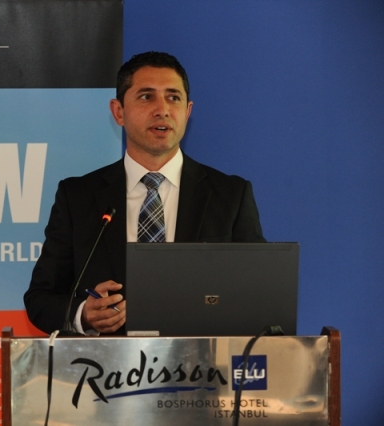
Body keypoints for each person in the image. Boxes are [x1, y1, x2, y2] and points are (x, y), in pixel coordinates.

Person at [24, 51, 265, 335]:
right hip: (106, 361)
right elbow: (40, 299)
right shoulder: (78, 197)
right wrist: (83, 314)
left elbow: (259, 295)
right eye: (146, 96)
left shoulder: (230, 195)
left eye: (173, 97)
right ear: (119, 112)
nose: (162, 109)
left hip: (201, 361)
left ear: (187, 112)